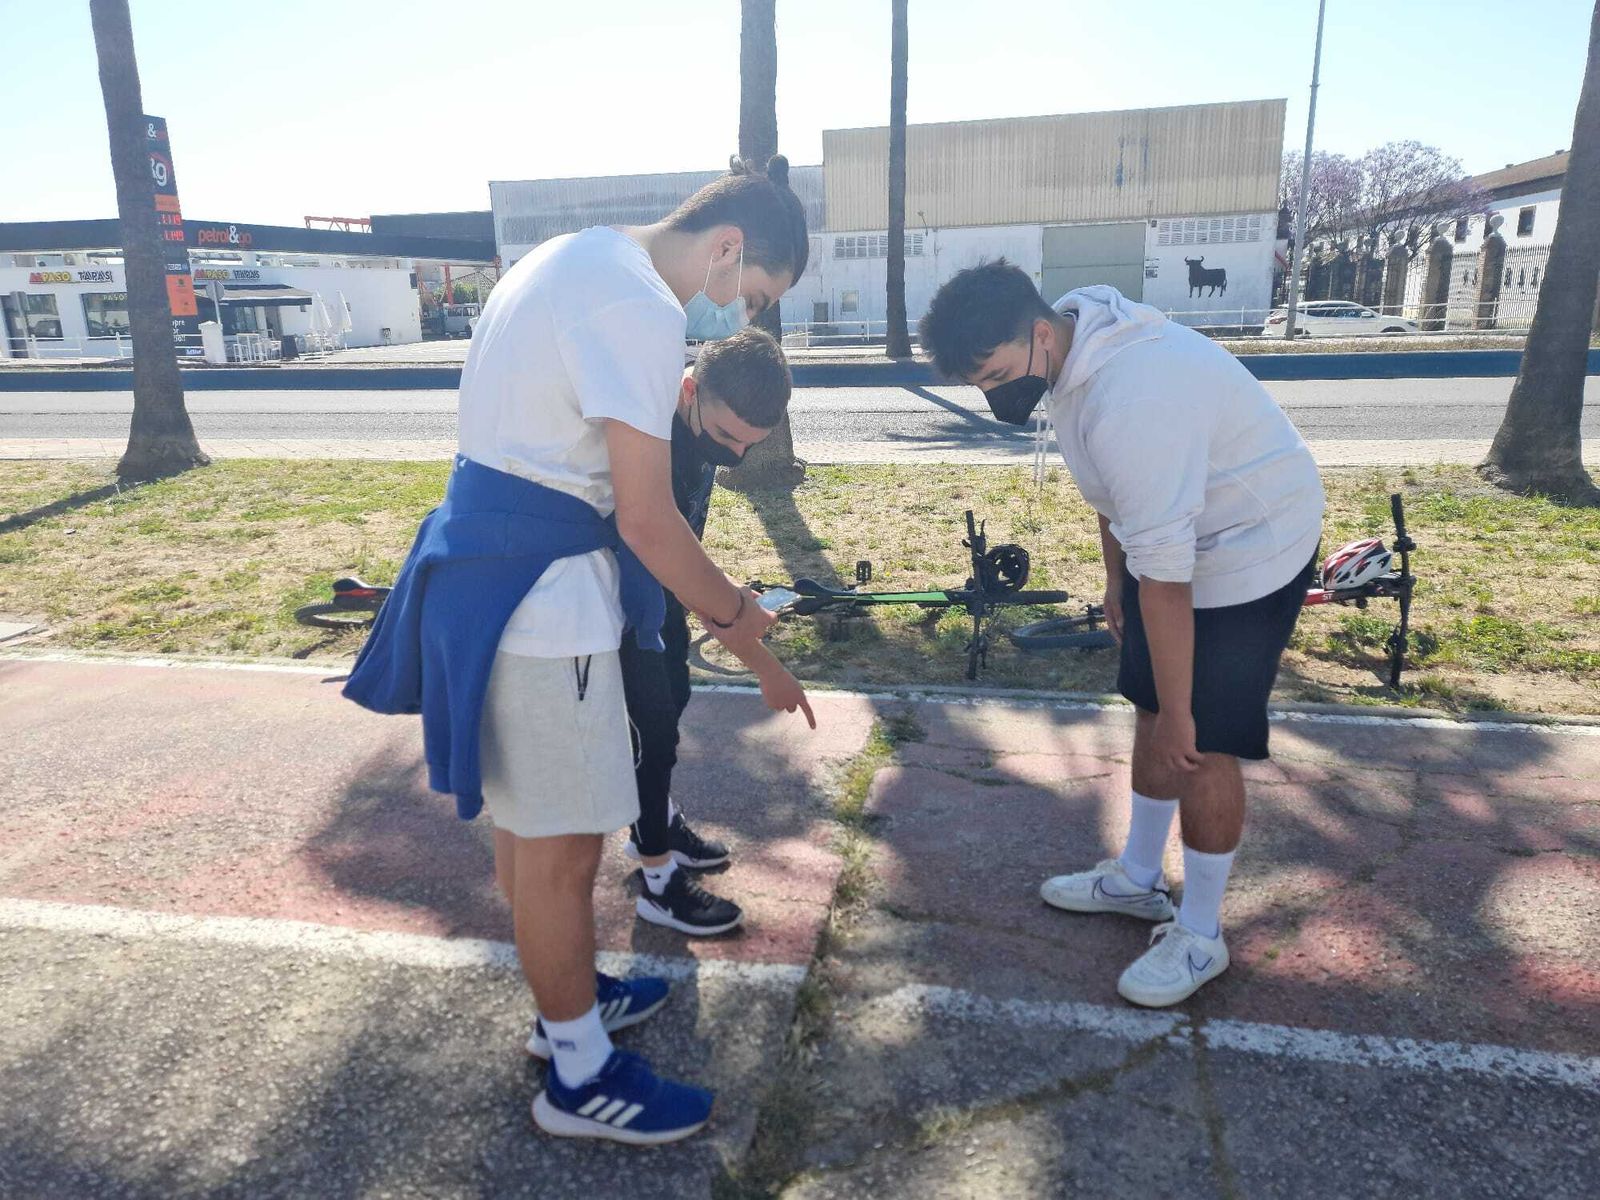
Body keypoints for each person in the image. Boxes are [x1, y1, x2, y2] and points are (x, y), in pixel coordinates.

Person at [344, 157, 815, 1145]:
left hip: (497, 582)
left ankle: (570, 1006)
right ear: (727, 247)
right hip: (543, 603)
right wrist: (737, 614)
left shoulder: (567, 258)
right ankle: (578, 1077)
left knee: (531, 834)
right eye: (757, 291)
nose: (747, 311)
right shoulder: (639, 306)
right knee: (557, 856)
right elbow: (645, 518)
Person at [918, 262, 1325, 1008]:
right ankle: (1140, 880)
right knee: (1149, 704)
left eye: (997, 373)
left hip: (1250, 545)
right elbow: (1113, 492)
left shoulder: (1135, 394)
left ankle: (1201, 933)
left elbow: (1167, 576)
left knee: (1201, 742)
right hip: (1172, 538)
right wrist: (1115, 584)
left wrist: (1182, 712)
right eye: (978, 383)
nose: (993, 393)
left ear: (1038, 334)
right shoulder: (1072, 348)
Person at [620, 326, 793, 936]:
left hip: (660, 595)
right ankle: (656, 880)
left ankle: (657, 820)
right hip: (619, 606)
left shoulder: (698, 433)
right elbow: (651, 539)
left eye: (751, 446)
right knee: (650, 734)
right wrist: (748, 638)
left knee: (674, 704)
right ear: (688, 390)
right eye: (726, 436)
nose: (736, 457)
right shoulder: (647, 437)